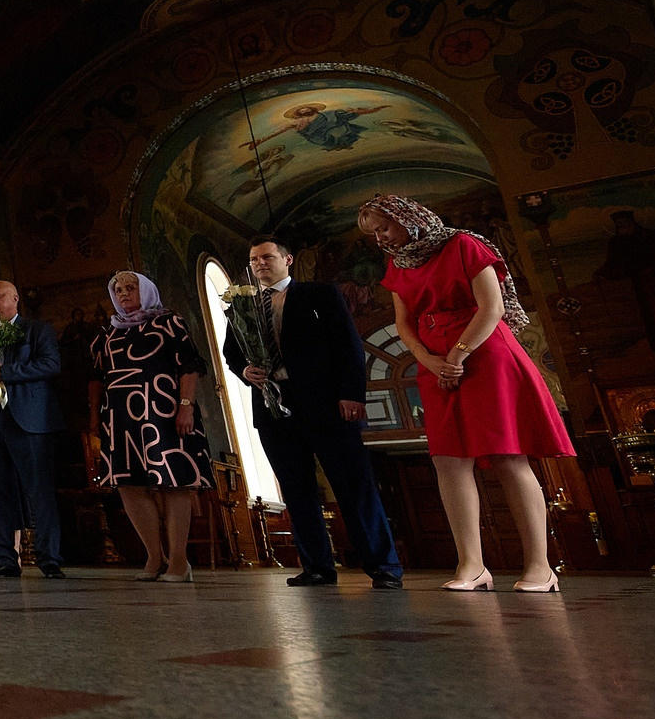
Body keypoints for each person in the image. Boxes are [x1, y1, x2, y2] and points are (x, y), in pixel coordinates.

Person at [358, 194, 573, 593]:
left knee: (509, 456)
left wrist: (457, 355)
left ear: (408, 216)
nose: (381, 238)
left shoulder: (463, 245)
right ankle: (472, 566)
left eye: (384, 227)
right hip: (434, 361)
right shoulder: (397, 265)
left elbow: (491, 308)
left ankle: (540, 568)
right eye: (374, 233)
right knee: (448, 461)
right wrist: (428, 359)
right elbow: (404, 323)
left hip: (485, 351)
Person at [222, 238, 403, 588]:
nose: (260, 263)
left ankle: (383, 566)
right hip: (273, 407)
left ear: (287, 259)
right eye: (254, 259)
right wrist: (244, 370)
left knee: (353, 485)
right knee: (296, 489)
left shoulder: (320, 294)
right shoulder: (244, 306)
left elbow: (347, 343)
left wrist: (352, 395)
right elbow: (232, 352)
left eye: (267, 256)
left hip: (325, 404)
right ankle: (317, 567)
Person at [90, 272, 213, 584]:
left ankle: (179, 562)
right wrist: (95, 418)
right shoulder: (107, 333)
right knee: (128, 485)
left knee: (173, 482)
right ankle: (154, 557)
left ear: (145, 290)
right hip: (119, 418)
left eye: (131, 288)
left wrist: (185, 407)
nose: (124, 294)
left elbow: (189, 366)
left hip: (164, 412)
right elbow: (96, 378)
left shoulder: (169, 322)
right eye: (118, 290)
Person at [0, 280, 67, 578]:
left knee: (39, 492)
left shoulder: (37, 330)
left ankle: (49, 559)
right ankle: (4, 559)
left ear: (15, 299)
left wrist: (5, 372)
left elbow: (51, 364)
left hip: (28, 420)